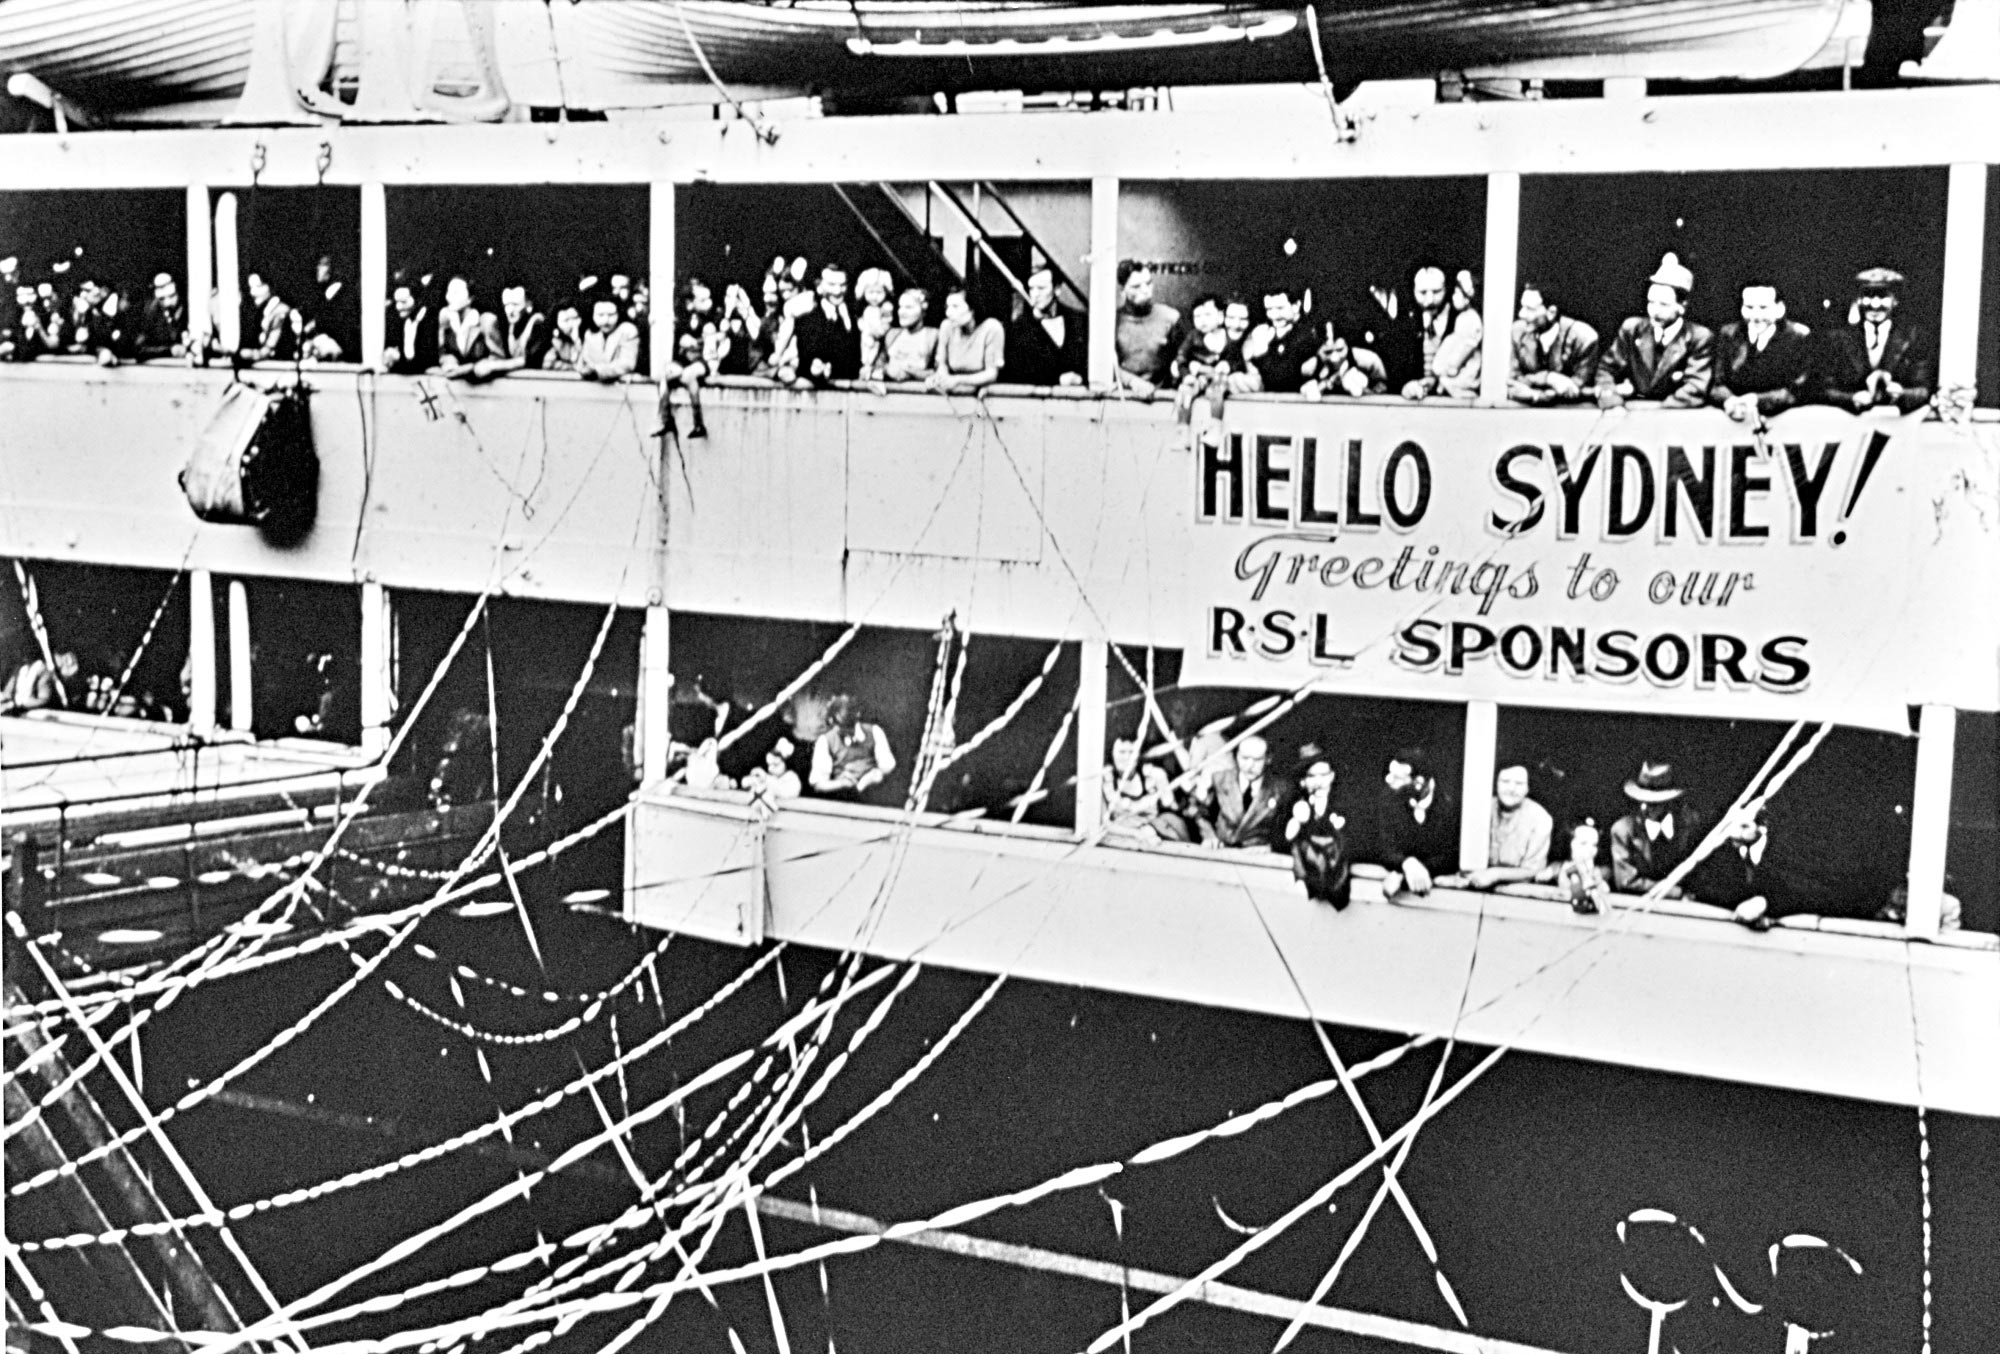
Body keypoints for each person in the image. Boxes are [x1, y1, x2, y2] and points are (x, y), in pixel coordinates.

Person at [1596, 253, 1714, 407]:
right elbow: (1605, 370)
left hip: (1674, 415)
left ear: (1681, 306)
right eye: (1651, 303)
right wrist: (1612, 402)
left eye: (1664, 305)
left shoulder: (1698, 337)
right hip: (1631, 410)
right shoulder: (1632, 329)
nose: (1655, 311)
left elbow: (1695, 387)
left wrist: (1658, 412)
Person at [1821, 267, 1933, 414]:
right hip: (1851, 423)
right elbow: (1824, 389)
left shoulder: (1914, 337)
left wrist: (1901, 393)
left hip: (1899, 422)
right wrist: (1852, 398)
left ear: (1895, 301)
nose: (1874, 304)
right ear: (1859, 300)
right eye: (1868, 296)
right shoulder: (1839, 338)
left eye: (1882, 297)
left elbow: (1924, 390)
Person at [1710, 281, 1816, 422]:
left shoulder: (1798, 336)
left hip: (1782, 420)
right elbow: (1717, 383)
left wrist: (1756, 400)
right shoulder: (1728, 334)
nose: (1756, 316)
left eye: (1763, 308)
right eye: (1749, 307)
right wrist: (1730, 400)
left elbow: (1798, 390)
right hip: (1735, 419)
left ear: (1780, 309)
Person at [1608, 759, 1707, 895]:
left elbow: (1703, 875)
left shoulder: (1691, 823)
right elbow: (1626, 882)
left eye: (1653, 803)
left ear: (1668, 802)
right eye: (1642, 801)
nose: (1644, 808)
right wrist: (1675, 892)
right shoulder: (1622, 830)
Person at [1369, 747, 1456, 897]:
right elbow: (1382, 847)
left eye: (1397, 777)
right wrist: (1407, 863)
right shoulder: (1387, 798)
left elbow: (1451, 857)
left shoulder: (1450, 806)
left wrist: (1414, 871)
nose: (1388, 779)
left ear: (1419, 783)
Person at [1687, 807, 1788, 930]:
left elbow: (1790, 896)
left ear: (1762, 828)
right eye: (1731, 823)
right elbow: (1703, 892)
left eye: (1744, 826)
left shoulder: (1783, 854)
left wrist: (1763, 904)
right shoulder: (1715, 853)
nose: (1732, 831)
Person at [1462, 764, 1552, 889]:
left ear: (1527, 788)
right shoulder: (1480, 809)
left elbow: (1533, 870)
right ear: (1496, 784)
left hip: (1517, 892)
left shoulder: (1541, 818)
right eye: (1505, 781)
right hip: (1473, 885)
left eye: (1519, 783)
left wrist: (1495, 874)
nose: (1511, 788)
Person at [1508, 281, 1600, 405]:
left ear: (1551, 312)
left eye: (1529, 309)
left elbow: (1575, 389)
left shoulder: (1584, 338)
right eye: (1522, 307)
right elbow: (1511, 379)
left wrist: (1533, 390)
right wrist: (1548, 378)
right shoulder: (1517, 331)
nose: (1521, 314)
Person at [1196, 736, 1292, 852]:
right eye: (1244, 758)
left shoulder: (1281, 789)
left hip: (1257, 857)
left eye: (1257, 760)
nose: (1249, 765)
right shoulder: (1220, 779)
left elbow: (1286, 828)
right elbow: (1201, 813)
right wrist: (1209, 836)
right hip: (1222, 852)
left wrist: (1271, 847)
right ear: (1236, 756)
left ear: (1268, 759)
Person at [1285, 751, 1352, 909]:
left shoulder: (1343, 804)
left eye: (1323, 775)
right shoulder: (1295, 803)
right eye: (1312, 776)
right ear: (1303, 780)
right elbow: (1283, 838)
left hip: (1334, 868)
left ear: (1332, 776)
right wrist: (1297, 820)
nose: (1319, 782)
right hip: (1306, 869)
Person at [1403, 267, 1481, 400]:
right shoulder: (1405, 321)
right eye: (1422, 293)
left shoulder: (1461, 318)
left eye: (1436, 292)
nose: (1429, 300)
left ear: (1447, 289)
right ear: (1413, 291)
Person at [1003, 267, 1087, 387]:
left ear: (1057, 289)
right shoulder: (1018, 329)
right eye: (1031, 288)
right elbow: (1015, 374)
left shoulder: (1079, 322)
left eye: (1041, 288)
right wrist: (1057, 380)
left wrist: (1081, 378)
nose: (1035, 294)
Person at [1103, 735, 1193, 844]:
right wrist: (1137, 834)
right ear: (1112, 754)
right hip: (1121, 836)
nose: (1127, 757)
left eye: (1131, 752)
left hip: (1153, 833)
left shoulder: (1154, 775)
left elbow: (1171, 807)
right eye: (1122, 752)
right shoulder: (1105, 781)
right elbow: (1103, 825)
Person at [809, 694, 897, 802]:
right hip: (840, 798)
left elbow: (888, 766)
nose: (847, 731)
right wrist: (840, 783)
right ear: (833, 721)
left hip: (875, 796)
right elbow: (818, 783)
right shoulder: (825, 741)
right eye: (842, 726)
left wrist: (874, 774)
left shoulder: (874, 732)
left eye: (850, 726)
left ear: (857, 716)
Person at [1113, 260, 1180, 396]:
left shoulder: (1170, 317)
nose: (1145, 291)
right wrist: (1132, 381)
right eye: (1136, 286)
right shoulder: (1112, 322)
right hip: (1122, 399)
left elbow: (1182, 360)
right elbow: (1103, 365)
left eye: (1148, 283)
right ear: (1122, 290)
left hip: (1161, 398)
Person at [790, 262, 861, 387]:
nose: (838, 291)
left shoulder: (855, 317)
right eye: (831, 285)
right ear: (819, 286)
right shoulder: (806, 321)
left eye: (842, 285)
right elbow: (803, 363)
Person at [1239, 283, 1318, 395]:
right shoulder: (1263, 333)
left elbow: (1284, 376)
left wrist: (1260, 356)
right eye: (1269, 309)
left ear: (1295, 306)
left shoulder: (1306, 335)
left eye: (1280, 308)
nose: (1274, 315)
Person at [927, 288, 1006, 393]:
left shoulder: (992, 327)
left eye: (955, 306)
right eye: (947, 307)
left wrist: (957, 380)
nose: (948, 313)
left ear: (972, 309)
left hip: (983, 392)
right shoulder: (947, 326)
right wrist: (940, 378)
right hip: (955, 392)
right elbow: (942, 364)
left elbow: (992, 374)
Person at [1541, 817, 1613, 915]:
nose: (1590, 849)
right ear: (1570, 843)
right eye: (1583, 843)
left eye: (1594, 845)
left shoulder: (1600, 871)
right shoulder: (1559, 867)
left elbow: (1604, 889)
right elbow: (1541, 877)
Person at [436, 276, 501, 378]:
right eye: (448, 292)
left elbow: (497, 358)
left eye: (456, 292)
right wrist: (450, 361)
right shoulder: (446, 319)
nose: (449, 297)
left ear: (470, 298)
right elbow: (443, 352)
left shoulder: (486, 321)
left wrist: (468, 368)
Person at [478, 285, 547, 378]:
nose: (510, 310)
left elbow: (531, 360)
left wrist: (493, 366)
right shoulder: (507, 324)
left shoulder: (537, 324)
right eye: (507, 305)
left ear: (529, 305)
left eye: (515, 305)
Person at [299, 255, 359, 361]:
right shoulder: (322, 294)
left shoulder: (344, 295)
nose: (318, 268)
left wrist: (314, 325)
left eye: (323, 265)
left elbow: (339, 326)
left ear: (333, 269)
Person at [1306, 328, 1389, 398]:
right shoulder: (1309, 367)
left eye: (1340, 350)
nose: (1335, 358)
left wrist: (1365, 391)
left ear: (1348, 346)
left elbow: (1384, 387)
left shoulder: (1369, 360)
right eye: (1328, 352)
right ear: (1318, 351)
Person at [238, 270, 299, 363]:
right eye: (250, 288)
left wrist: (250, 354)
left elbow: (270, 348)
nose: (252, 292)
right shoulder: (259, 311)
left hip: (282, 366)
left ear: (269, 286)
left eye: (258, 286)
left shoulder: (281, 311)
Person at [882, 287, 939, 382]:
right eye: (900, 307)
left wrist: (910, 372)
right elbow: (878, 366)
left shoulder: (933, 335)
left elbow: (939, 372)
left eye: (909, 307)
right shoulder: (892, 334)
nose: (902, 312)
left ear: (923, 310)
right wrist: (887, 370)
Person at [576, 297, 639, 382]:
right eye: (600, 315)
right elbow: (583, 363)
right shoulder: (589, 334)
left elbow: (627, 363)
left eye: (611, 315)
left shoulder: (628, 331)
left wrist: (597, 371)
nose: (606, 320)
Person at [382, 281, 438, 374]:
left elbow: (427, 361)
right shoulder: (400, 322)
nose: (398, 307)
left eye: (404, 302)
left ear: (418, 299)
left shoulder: (431, 320)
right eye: (396, 302)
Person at [134, 272, 192, 361]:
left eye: (172, 296)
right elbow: (139, 349)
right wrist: (169, 350)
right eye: (162, 299)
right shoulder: (152, 312)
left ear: (179, 291)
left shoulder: (191, 310)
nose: (168, 303)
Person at [745, 736, 804, 807]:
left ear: (786, 764)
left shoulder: (792, 779)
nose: (770, 769)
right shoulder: (770, 777)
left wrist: (766, 779)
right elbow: (746, 784)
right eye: (769, 765)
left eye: (776, 765)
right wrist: (754, 779)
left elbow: (783, 792)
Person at [542, 302, 585, 373]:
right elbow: (547, 365)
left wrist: (577, 341)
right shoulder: (555, 342)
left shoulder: (589, 337)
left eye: (575, 318)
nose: (572, 324)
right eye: (566, 320)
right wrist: (571, 367)